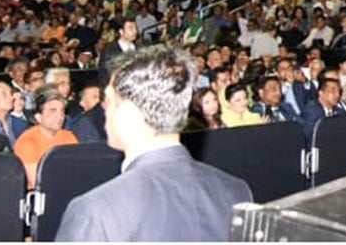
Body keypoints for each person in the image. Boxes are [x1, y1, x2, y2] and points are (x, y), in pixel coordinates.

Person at [57, 45, 254, 241]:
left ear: (129, 113)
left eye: (108, 101)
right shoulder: (236, 190)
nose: (103, 110)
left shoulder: (95, 211)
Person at [14, 88, 79, 188]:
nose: (60, 116)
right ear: (38, 117)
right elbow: (37, 182)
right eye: (53, 111)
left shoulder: (69, 137)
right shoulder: (27, 142)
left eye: (62, 111)